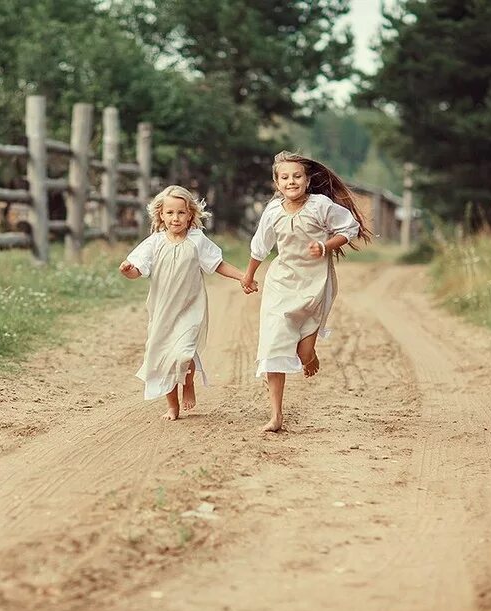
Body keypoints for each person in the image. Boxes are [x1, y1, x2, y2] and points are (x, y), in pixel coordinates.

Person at [241, 151, 371, 432]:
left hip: (314, 284)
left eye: (297, 176)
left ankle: (310, 355)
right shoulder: (273, 211)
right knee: (273, 346)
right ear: (276, 183)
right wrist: (249, 275)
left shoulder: (320, 206)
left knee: (303, 350)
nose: (291, 181)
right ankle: (276, 416)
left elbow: (349, 227)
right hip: (280, 283)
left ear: (308, 180)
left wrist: (326, 246)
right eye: (284, 177)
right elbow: (260, 246)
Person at [120, 185, 257, 421]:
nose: (176, 218)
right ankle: (172, 406)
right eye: (170, 213)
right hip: (162, 310)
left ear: (190, 215)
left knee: (184, 353)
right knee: (164, 357)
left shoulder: (197, 240)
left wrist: (243, 277)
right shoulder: (154, 242)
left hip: (191, 308)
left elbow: (218, 264)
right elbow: (137, 270)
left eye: (181, 213)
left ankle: (189, 383)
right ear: (161, 215)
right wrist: (128, 271)